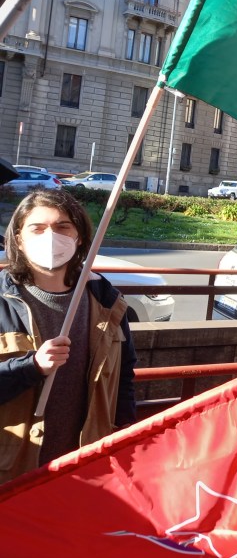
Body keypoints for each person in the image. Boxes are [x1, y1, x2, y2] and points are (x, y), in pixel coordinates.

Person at [0, 188, 136, 484]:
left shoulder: (106, 300)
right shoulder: (3, 299)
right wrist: (32, 367)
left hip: (85, 464)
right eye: (37, 228)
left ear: (80, 237)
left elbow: (124, 375)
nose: (51, 237)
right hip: (13, 469)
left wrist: (125, 432)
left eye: (63, 227)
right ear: (19, 239)